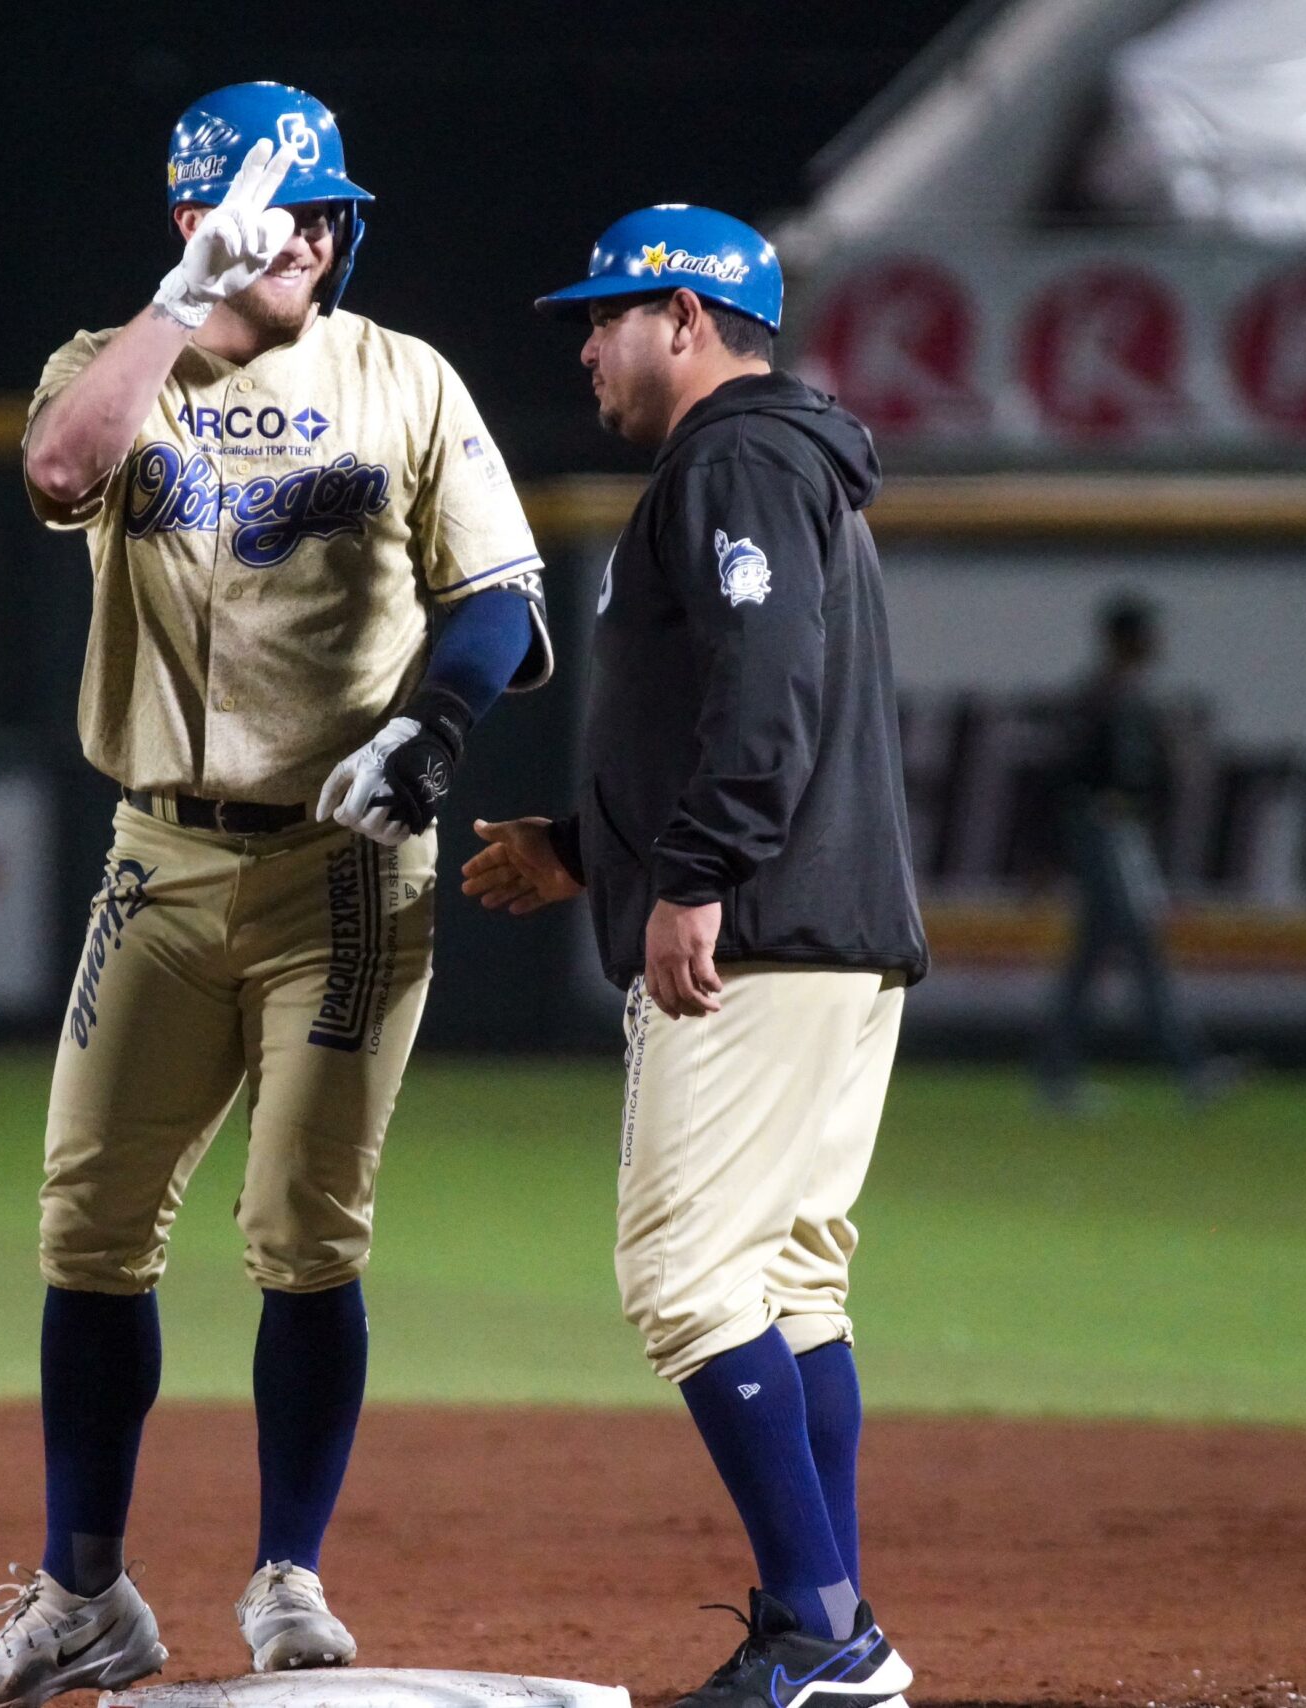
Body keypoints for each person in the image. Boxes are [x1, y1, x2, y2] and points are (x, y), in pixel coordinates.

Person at [0, 80, 549, 1708]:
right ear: (206, 226)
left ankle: (288, 1573)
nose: (320, 236)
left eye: (333, 213)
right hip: (161, 862)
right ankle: (81, 1592)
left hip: (347, 863)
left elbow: (497, 594)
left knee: (303, 1228)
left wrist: (433, 729)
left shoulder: (399, 375)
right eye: (291, 213)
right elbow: (58, 464)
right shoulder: (109, 365)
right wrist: (186, 289)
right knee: (88, 1224)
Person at [464, 205, 925, 1708]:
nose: (586, 345)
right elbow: (724, 706)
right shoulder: (779, 465)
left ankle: (821, 1625)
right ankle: (836, 1622)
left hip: (764, 936)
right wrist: (593, 852)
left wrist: (695, 876)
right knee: (792, 1280)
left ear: (682, 315)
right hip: (830, 932)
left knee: (682, 1274)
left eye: (602, 316)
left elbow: (766, 685)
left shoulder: (733, 457)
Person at [1035, 592, 1231, 1109]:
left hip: (1119, 834)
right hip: (1104, 830)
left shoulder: (1123, 694)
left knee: (1092, 958)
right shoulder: (1101, 696)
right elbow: (1071, 775)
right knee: (1143, 949)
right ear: (1125, 637)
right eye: (1147, 630)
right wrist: (1058, 849)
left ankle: (1057, 1076)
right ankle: (1192, 1067)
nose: (1157, 640)